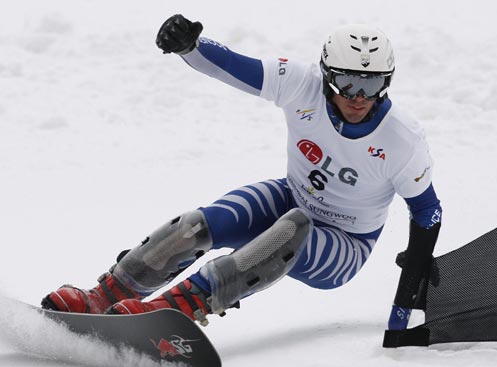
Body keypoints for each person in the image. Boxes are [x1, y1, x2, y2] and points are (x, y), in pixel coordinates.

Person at [42, 15, 442, 330]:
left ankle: (173, 310)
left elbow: (428, 211)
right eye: (348, 81)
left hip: (346, 244)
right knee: (200, 224)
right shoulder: (301, 83)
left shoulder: (402, 138)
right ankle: (105, 295)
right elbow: (232, 65)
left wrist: (417, 270)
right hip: (293, 196)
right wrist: (190, 46)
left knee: (294, 226)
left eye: (371, 85)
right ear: (326, 75)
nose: (359, 98)